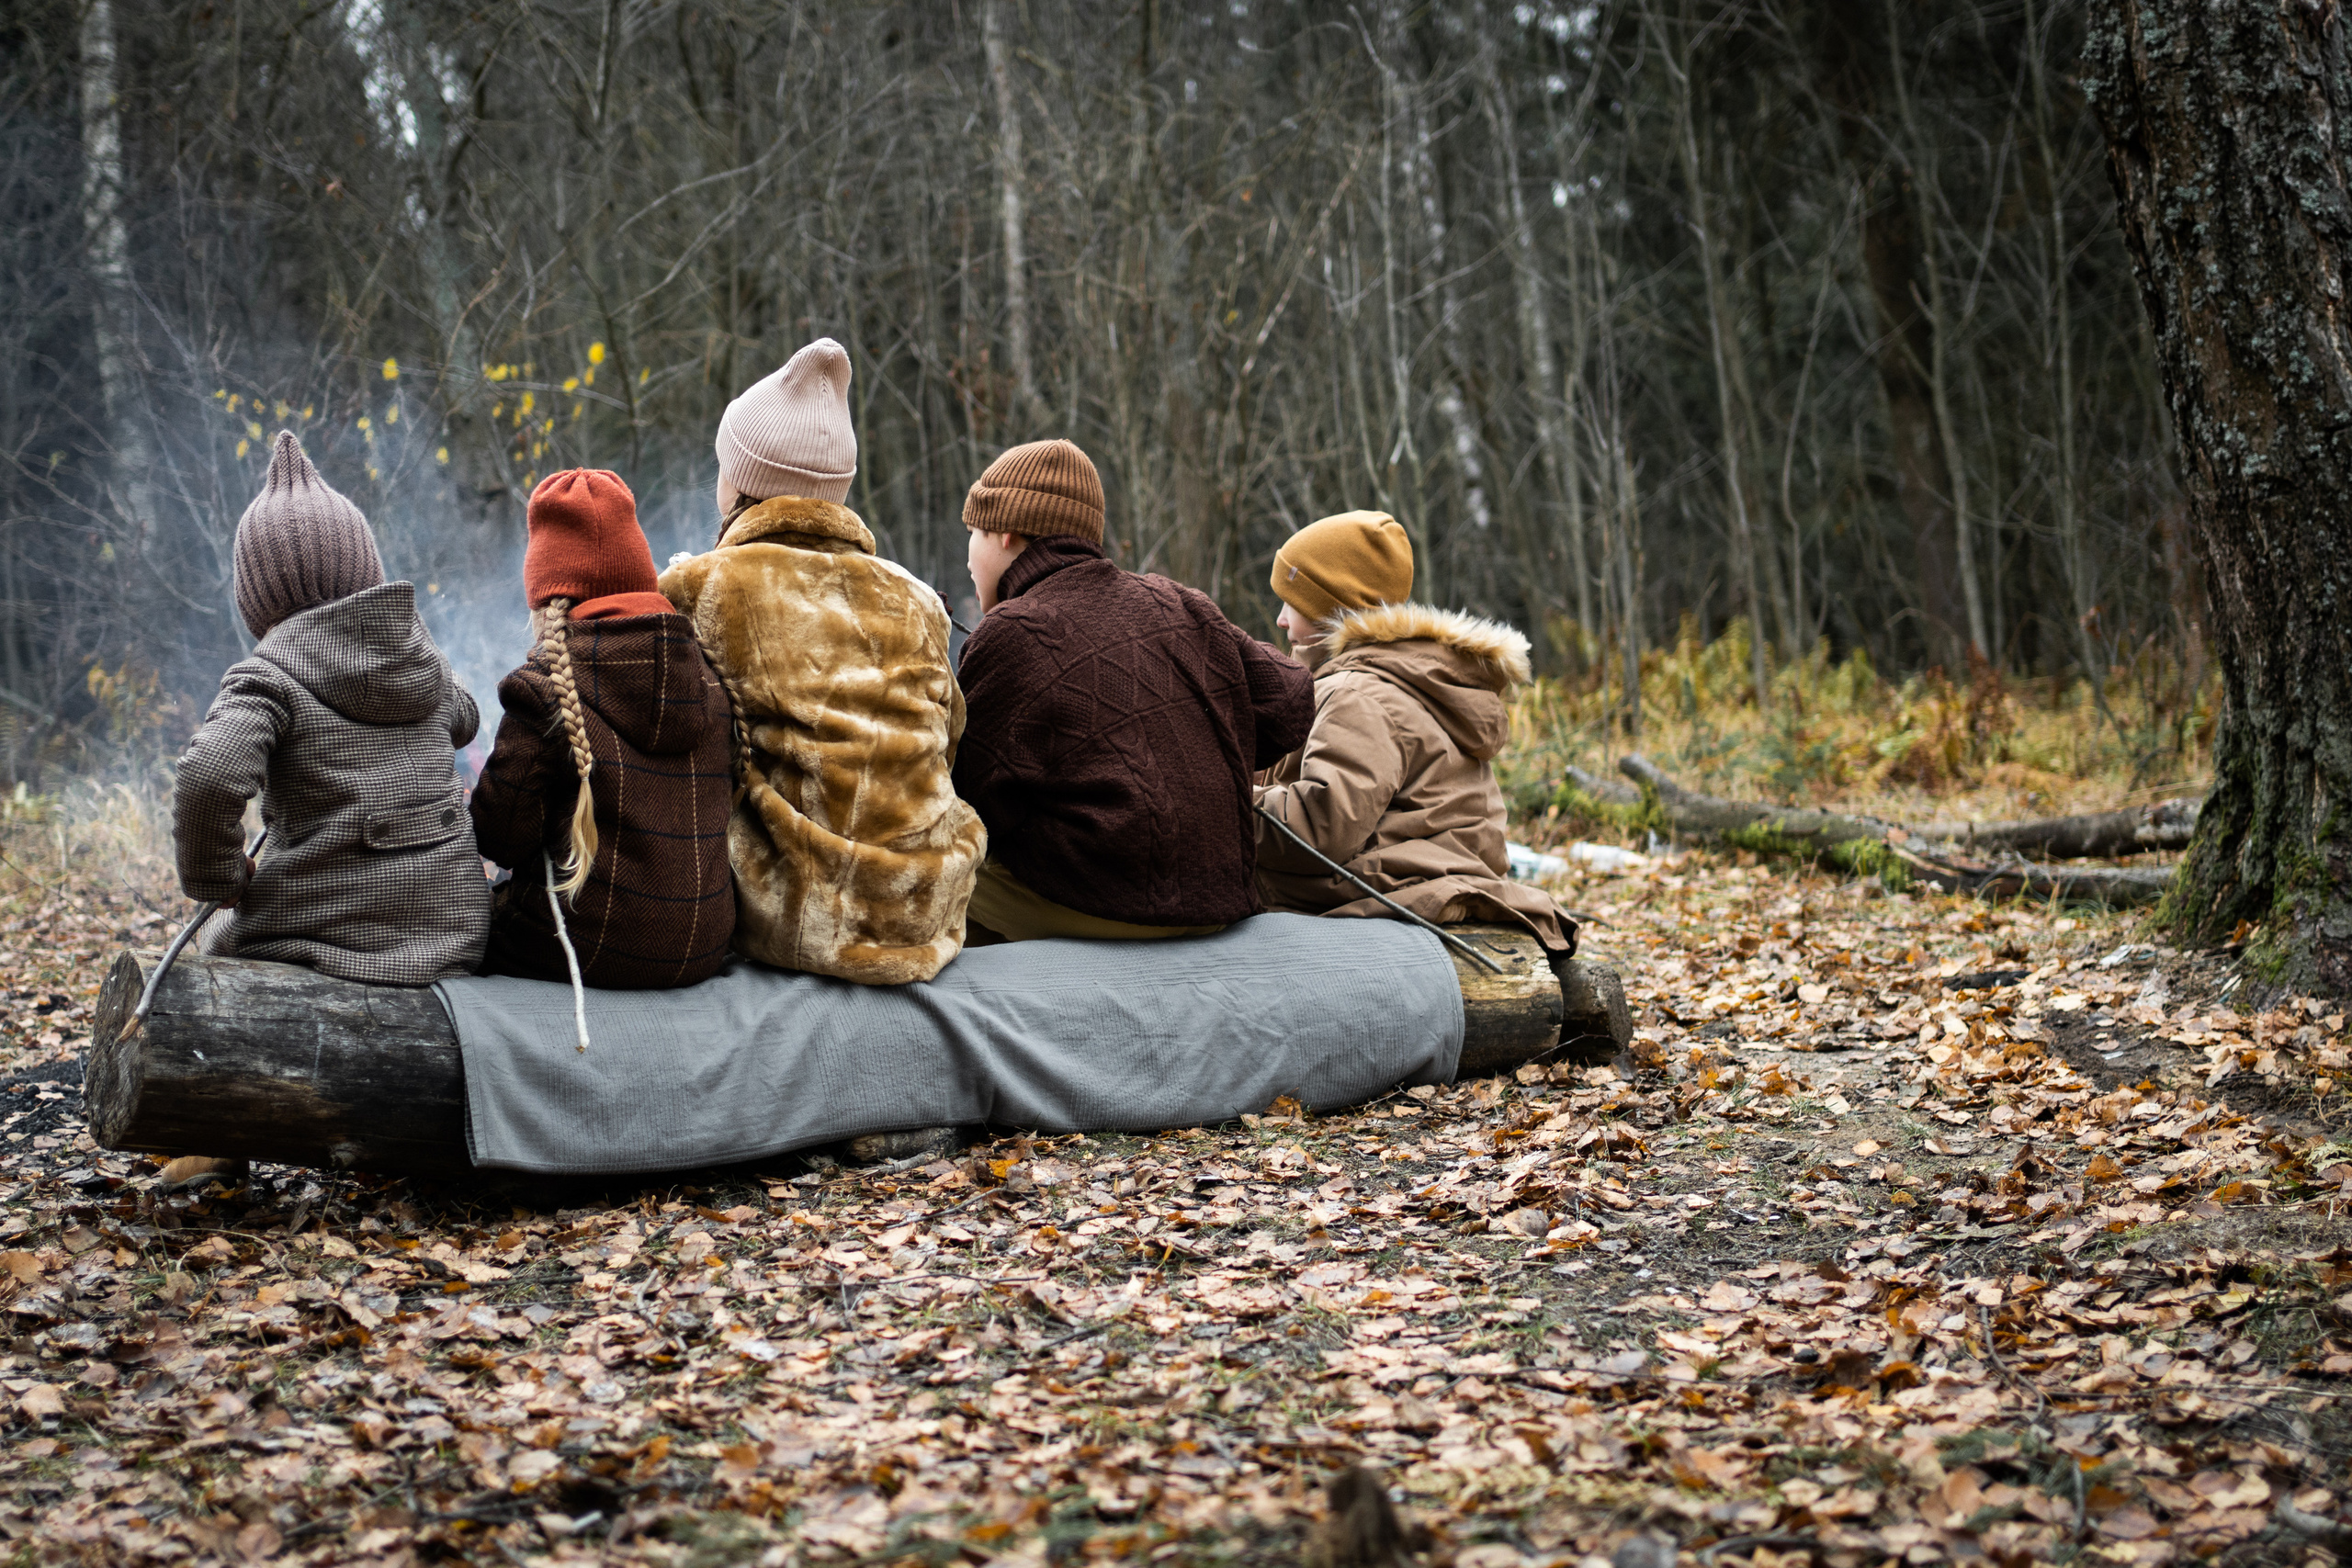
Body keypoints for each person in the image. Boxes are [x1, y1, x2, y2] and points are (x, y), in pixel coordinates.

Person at [164, 431, 491, 1191]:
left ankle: (214, 1142)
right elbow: (467, 717)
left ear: (260, 598)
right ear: (364, 570)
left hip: (328, 926)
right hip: (449, 930)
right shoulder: (418, 660)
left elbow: (210, 775)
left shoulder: (269, 675)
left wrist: (218, 876)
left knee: (213, 953)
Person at [661, 339, 984, 984]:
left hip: (799, 921)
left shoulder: (701, 589)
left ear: (741, 482)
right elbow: (946, 743)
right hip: (927, 913)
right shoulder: (918, 599)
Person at [954, 439, 1314, 941]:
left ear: (1005, 533)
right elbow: (1292, 697)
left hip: (1110, 908)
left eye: (972, 532)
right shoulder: (1179, 603)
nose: (968, 557)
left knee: (946, 880)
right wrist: (1210, 747)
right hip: (1223, 902)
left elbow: (965, 802)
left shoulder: (1014, 631)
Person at [1253, 511, 1576, 960]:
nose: (1282, 620)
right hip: (1435, 874)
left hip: (1395, 887)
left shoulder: (1357, 693)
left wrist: (1222, 799)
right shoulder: (1404, 677)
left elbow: (1320, 829)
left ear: (1333, 610)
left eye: (1294, 602)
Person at [469, 469, 736, 992]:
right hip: (704, 947)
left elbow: (498, 837)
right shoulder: (709, 679)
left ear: (548, 602)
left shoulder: (542, 690)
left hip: (585, 945)